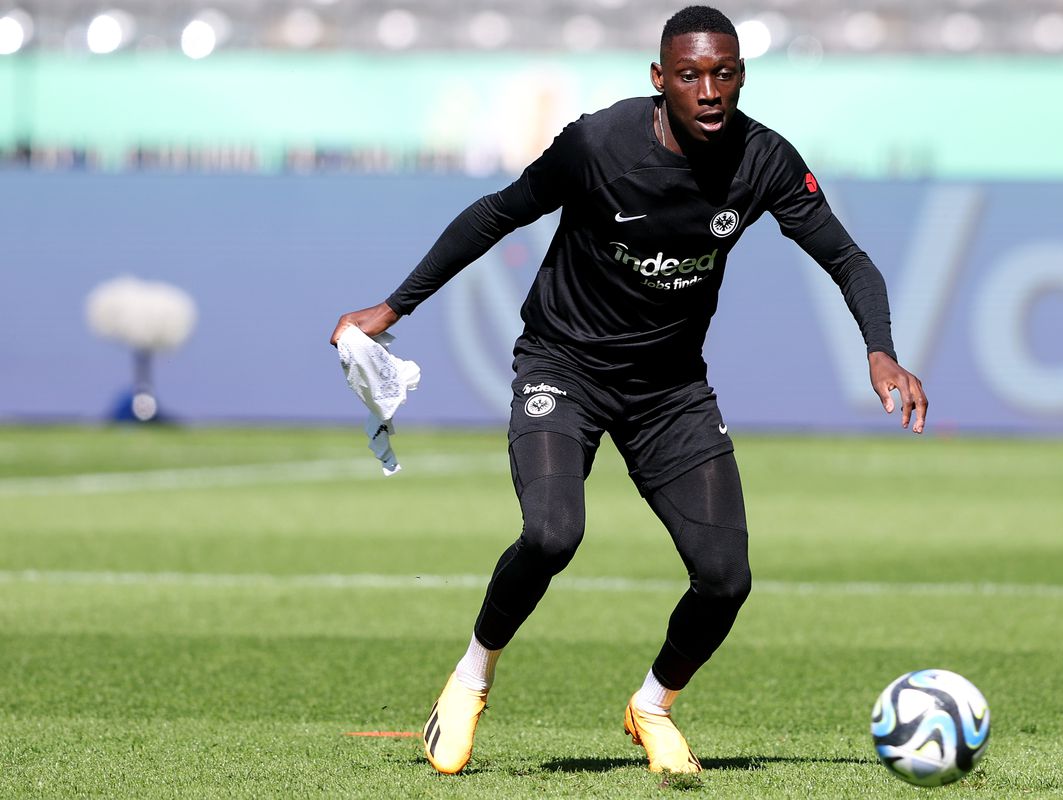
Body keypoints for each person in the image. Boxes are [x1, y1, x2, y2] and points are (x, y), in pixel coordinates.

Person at [330, 5, 927, 776]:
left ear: (741, 77)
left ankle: (651, 706)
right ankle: (470, 678)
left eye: (724, 74)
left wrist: (881, 351)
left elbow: (848, 259)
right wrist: (392, 305)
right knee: (552, 535)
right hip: (563, 367)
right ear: (659, 80)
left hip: (670, 390)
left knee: (725, 578)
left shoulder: (765, 160)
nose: (709, 91)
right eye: (689, 75)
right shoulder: (598, 145)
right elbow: (496, 214)